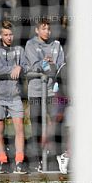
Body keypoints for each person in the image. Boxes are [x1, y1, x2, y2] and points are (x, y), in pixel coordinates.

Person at [25, 18, 65, 172]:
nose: (47, 32)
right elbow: (35, 66)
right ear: (37, 30)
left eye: (48, 29)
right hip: (35, 91)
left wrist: (48, 64)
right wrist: (46, 64)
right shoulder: (30, 44)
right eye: (43, 28)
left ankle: (58, 157)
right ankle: (37, 160)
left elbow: (61, 66)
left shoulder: (56, 45)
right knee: (36, 126)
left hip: (52, 91)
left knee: (56, 124)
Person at [0, 20, 28, 174]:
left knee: (20, 128)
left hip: (15, 96)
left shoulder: (19, 50)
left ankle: (19, 162)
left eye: (11, 34)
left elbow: (26, 67)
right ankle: (3, 161)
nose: (9, 37)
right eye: (6, 34)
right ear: (0, 35)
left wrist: (20, 67)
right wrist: (13, 68)